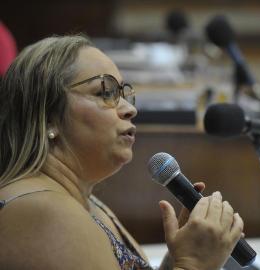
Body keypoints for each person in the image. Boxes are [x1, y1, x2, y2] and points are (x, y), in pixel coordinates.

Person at [0, 35, 244, 270]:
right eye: (106, 93)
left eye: (124, 94)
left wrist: (181, 255)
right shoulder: (44, 216)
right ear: (48, 116)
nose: (129, 109)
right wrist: (193, 263)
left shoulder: (78, 200)